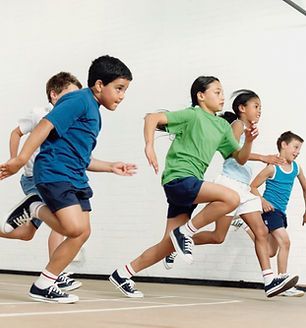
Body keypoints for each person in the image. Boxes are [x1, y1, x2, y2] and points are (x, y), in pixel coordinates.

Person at [109, 76, 296, 299]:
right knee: (231, 198)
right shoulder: (193, 114)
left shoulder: (221, 126)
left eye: (222, 92)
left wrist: (248, 141)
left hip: (190, 185)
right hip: (178, 178)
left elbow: (240, 158)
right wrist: (149, 145)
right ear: (201, 96)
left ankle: (123, 274)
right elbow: (151, 118)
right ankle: (185, 233)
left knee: (167, 245)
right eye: (216, 92)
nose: (222, 96)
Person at [0, 55, 136, 303]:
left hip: (75, 176)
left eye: (124, 90)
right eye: (118, 88)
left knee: (82, 233)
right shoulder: (79, 100)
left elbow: (83, 157)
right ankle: (34, 207)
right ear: (98, 85)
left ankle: (43, 285)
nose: (122, 95)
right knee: (73, 228)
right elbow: (44, 126)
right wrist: (20, 159)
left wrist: (110, 166)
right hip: (55, 171)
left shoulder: (94, 111)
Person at [162, 90, 298, 297]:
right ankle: (174, 244)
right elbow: (234, 155)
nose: (259, 111)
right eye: (256, 106)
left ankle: (269, 280)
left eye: (260, 107)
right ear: (242, 109)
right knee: (219, 237)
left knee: (257, 233)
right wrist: (263, 157)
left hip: (244, 188)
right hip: (230, 185)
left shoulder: (249, 130)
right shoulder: (236, 125)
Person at [0, 72, 82, 291]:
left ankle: (56, 271)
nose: (74, 101)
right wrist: (15, 159)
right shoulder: (40, 113)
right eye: (69, 95)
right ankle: (58, 273)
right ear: (54, 95)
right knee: (64, 223)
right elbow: (15, 133)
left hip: (57, 178)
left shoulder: (70, 118)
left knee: (25, 233)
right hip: (37, 177)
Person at [250, 131, 306, 297]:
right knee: (286, 242)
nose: (297, 152)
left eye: (299, 150)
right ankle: (283, 283)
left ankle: (248, 230)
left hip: (281, 213)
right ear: (284, 145)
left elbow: (305, 187)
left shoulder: (296, 168)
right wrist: (262, 201)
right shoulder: (271, 168)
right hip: (270, 211)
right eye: (295, 147)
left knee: (270, 252)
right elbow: (252, 187)